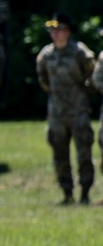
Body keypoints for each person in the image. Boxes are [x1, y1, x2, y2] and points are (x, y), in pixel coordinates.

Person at [36, 12, 96, 204]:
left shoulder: (80, 53)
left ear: (68, 32)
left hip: (78, 111)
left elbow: (92, 77)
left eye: (59, 30)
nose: (55, 34)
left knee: (84, 153)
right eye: (52, 30)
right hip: (57, 113)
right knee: (59, 155)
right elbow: (44, 81)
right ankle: (67, 193)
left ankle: (85, 193)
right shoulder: (45, 55)